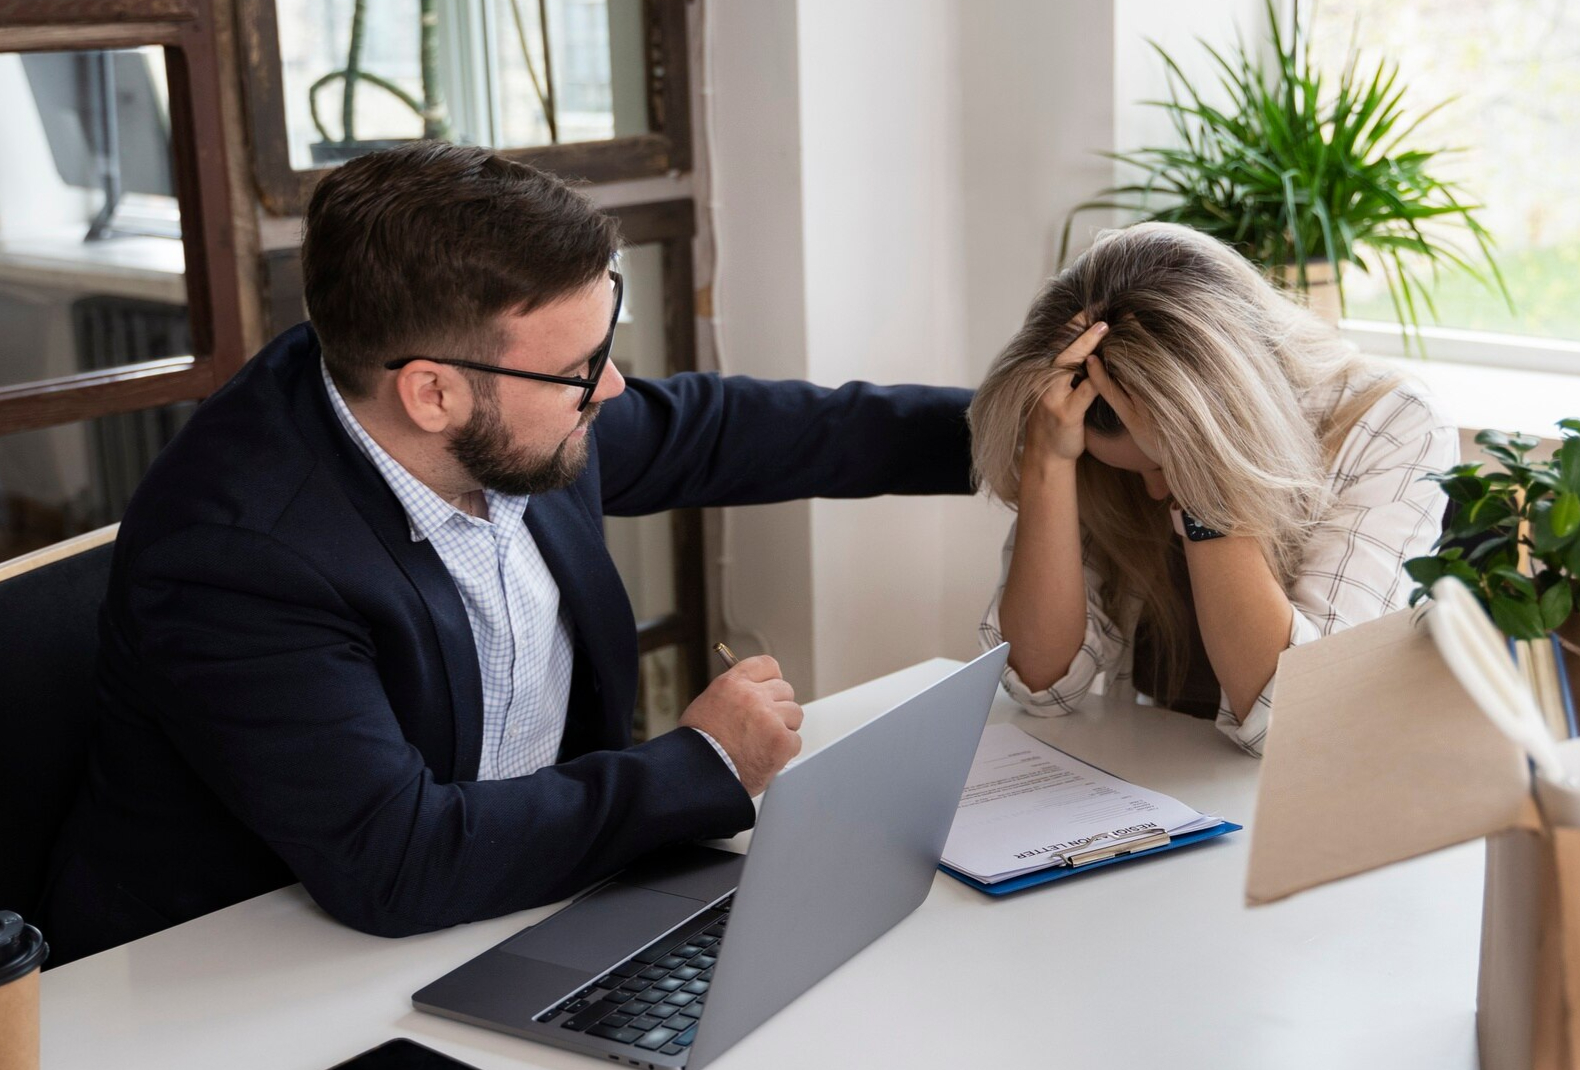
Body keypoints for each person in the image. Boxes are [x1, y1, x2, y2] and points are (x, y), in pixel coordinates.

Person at [39, 142, 975, 963]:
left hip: (514, 909)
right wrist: (704, 762)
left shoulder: (505, 405)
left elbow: (724, 429)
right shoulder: (238, 556)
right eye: (578, 372)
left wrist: (1009, 431)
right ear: (430, 394)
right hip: (224, 984)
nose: (609, 387)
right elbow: (396, 861)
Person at [970, 222, 1457, 757]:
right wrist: (1049, 461)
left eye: (1161, 468)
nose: (1157, 494)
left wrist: (1203, 472)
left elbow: (1291, 720)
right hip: (1158, 771)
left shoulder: (1389, 423)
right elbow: (1043, 684)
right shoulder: (1081, 433)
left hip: (1314, 799)